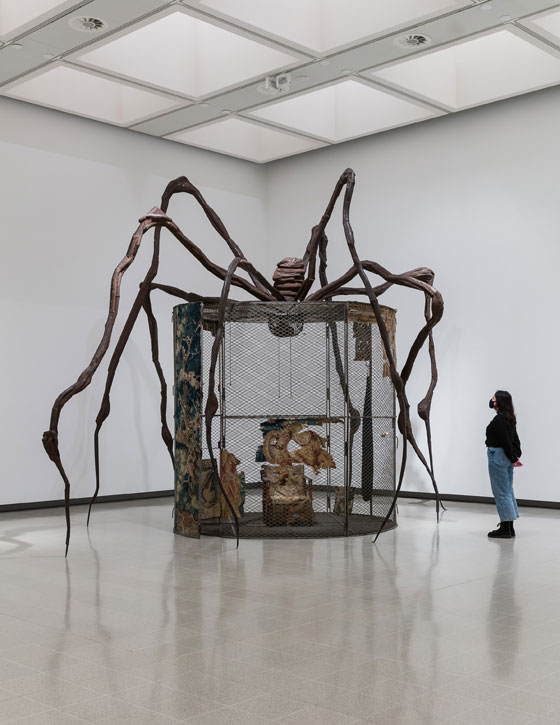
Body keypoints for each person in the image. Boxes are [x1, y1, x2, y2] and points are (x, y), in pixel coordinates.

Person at [485, 390, 522, 539]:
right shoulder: (509, 419)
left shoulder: (499, 420)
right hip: (506, 457)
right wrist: (515, 456)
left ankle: (505, 529)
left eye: (494, 398)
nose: (491, 400)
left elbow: (505, 441)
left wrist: (513, 458)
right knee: (507, 491)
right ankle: (509, 527)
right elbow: (515, 441)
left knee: (501, 493)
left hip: (498, 456)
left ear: (499, 402)